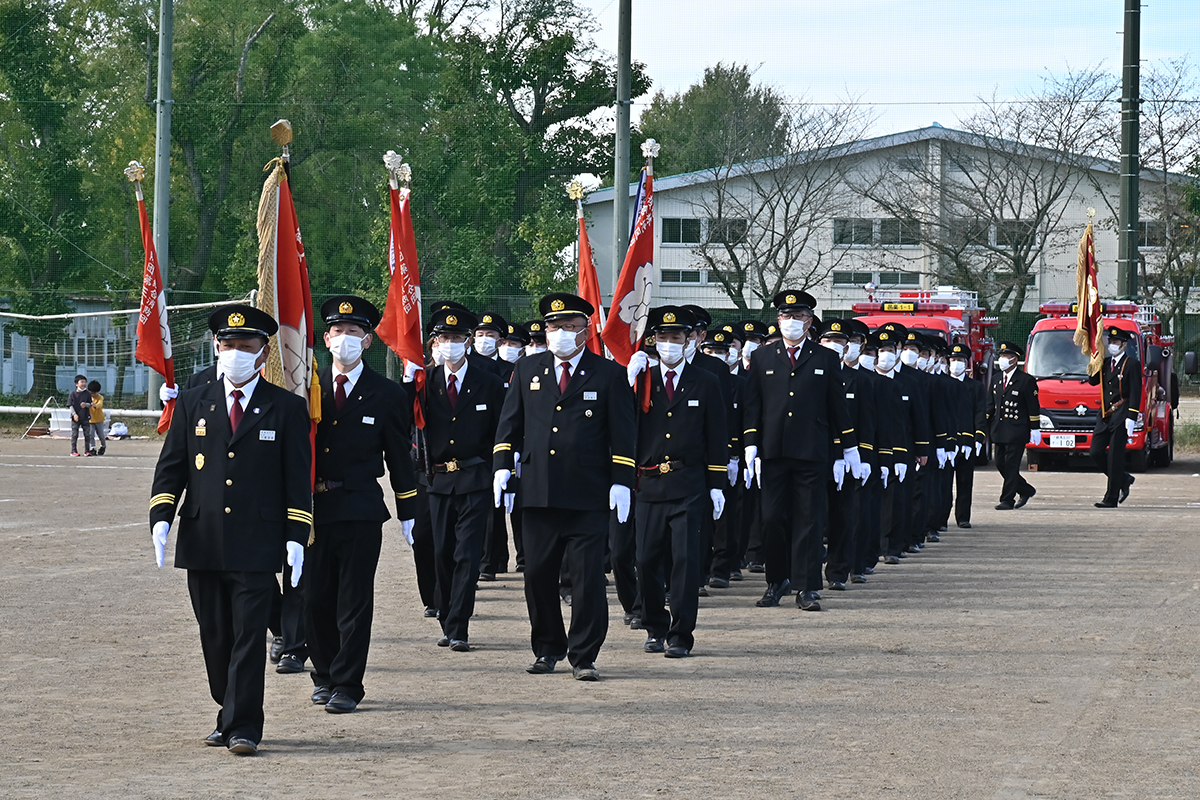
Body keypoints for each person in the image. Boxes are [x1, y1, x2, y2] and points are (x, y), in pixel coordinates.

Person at [149, 304, 312, 755]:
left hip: (256, 544)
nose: (235, 352)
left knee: (248, 636)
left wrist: (297, 537)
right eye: (228, 345)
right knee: (215, 636)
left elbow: (297, 481)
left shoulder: (286, 408)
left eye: (246, 345)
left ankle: (243, 726)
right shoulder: (194, 401)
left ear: (263, 354)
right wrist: (161, 516)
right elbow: (172, 467)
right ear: (216, 348)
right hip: (202, 541)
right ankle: (228, 708)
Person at [492, 292, 636, 681]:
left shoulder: (607, 373)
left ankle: (584, 654)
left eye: (569, 327)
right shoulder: (527, 370)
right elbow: (510, 424)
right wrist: (502, 466)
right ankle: (547, 648)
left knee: (588, 578)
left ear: (585, 331)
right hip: (537, 492)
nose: (559, 333)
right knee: (538, 575)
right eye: (553, 327)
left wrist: (622, 481)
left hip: (588, 493)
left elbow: (624, 434)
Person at [305, 296, 418, 714]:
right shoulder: (306, 386)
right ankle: (324, 674)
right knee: (314, 598)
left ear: (368, 341)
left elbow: (398, 457)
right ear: (327, 338)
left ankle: (348, 683)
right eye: (338, 332)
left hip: (359, 508)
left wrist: (409, 509)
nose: (345, 339)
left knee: (353, 600)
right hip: (311, 509)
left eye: (354, 333)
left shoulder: (386, 394)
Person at [742, 290, 860, 611]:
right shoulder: (764, 357)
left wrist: (848, 448)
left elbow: (838, 407)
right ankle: (775, 579)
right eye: (785, 316)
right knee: (771, 519)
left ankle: (806, 586)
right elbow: (753, 404)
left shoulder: (825, 358)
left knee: (809, 520)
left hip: (811, 450)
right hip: (773, 451)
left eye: (797, 317)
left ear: (809, 321)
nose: (790, 322)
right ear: (778, 320)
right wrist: (750, 444)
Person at [634, 306, 728, 658]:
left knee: (686, 562)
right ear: (653, 341)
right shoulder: (641, 378)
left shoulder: (706, 381)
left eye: (676, 337)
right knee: (645, 559)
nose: (669, 343)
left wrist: (717, 483)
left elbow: (716, 434)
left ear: (690, 340)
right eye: (663, 337)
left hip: (689, 483)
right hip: (649, 484)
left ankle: (680, 634)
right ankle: (654, 625)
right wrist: (625, 381)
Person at [423, 306, 505, 651]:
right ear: (435, 342)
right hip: (438, 480)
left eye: (457, 338)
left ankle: (459, 626)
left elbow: (502, 428)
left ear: (468, 341)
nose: (450, 344)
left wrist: (503, 470)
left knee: (467, 553)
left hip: (475, 477)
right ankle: (446, 613)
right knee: (441, 552)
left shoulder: (488, 381)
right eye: (445, 338)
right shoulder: (423, 382)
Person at [819, 319, 875, 591]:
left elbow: (867, 423)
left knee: (844, 517)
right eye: (828, 341)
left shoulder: (861, 380)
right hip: (816, 455)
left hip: (848, 458)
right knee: (812, 517)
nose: (834, 347)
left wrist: (858, 457)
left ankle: (839, 571)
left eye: (840, 342)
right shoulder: (809, 375)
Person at [1088, 326, 1142, 508]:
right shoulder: (1105, 362)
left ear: (1124, 345)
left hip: (1122, 413)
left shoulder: (1132, 364)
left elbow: (1136, 392)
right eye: (1109, 342)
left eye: (1115, 342)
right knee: (1095, 451)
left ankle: (1111, 498)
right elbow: (1093, 381)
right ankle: (1123, 479)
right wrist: (1093, 361)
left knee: (1114, 456)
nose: (1111, 345)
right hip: (1105, 414)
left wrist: (1132, 417)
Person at [986, 341, 1040, 510]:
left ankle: (1007, 499)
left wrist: (1035, 428)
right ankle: (1026, 489)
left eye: (1006, 356)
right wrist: (982, 426)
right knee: (1000, 463)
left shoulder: (1026, 380)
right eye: (1001, 356)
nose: (1002, 359)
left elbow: (1033, 405)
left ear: (1015, 360)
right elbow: (990, 405)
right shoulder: (996, 379)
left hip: (1017, 429)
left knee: (1011, 464)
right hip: (999, 428)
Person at [944, 343, 987, 528]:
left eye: (960, 360)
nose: (956, 363)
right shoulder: (942, 384)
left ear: (966, 363)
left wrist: (978, 437)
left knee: (965, 481)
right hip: (947, 441)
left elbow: (980, 412)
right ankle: (941, 518)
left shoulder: (975, 387)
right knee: (944, 484)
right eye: (953, 360)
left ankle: (963, 517)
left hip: (967, 440)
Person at [68, 375, 94, 457]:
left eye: (85, 382)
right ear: (76, 384)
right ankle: (73, 450)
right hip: (75, 418)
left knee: (87, 434)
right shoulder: (72, 394)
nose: (84, 384)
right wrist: (74, 414)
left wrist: (86, 405)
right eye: (82, 382)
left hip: (85, 417)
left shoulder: (88, 394)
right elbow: (70, 405)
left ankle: (87, 450)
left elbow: (91, 404)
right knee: (75, 434)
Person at [87, 380, 107, 456]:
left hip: (99, 419)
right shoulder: (88, 397)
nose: (93, 394)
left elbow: (100, 404)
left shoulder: (100, 397)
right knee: (91, 434)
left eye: (94, 393)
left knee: (101, 435)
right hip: (90, 419)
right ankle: (93, 447)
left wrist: (95, 405)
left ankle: (103, 446)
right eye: (91, 393)